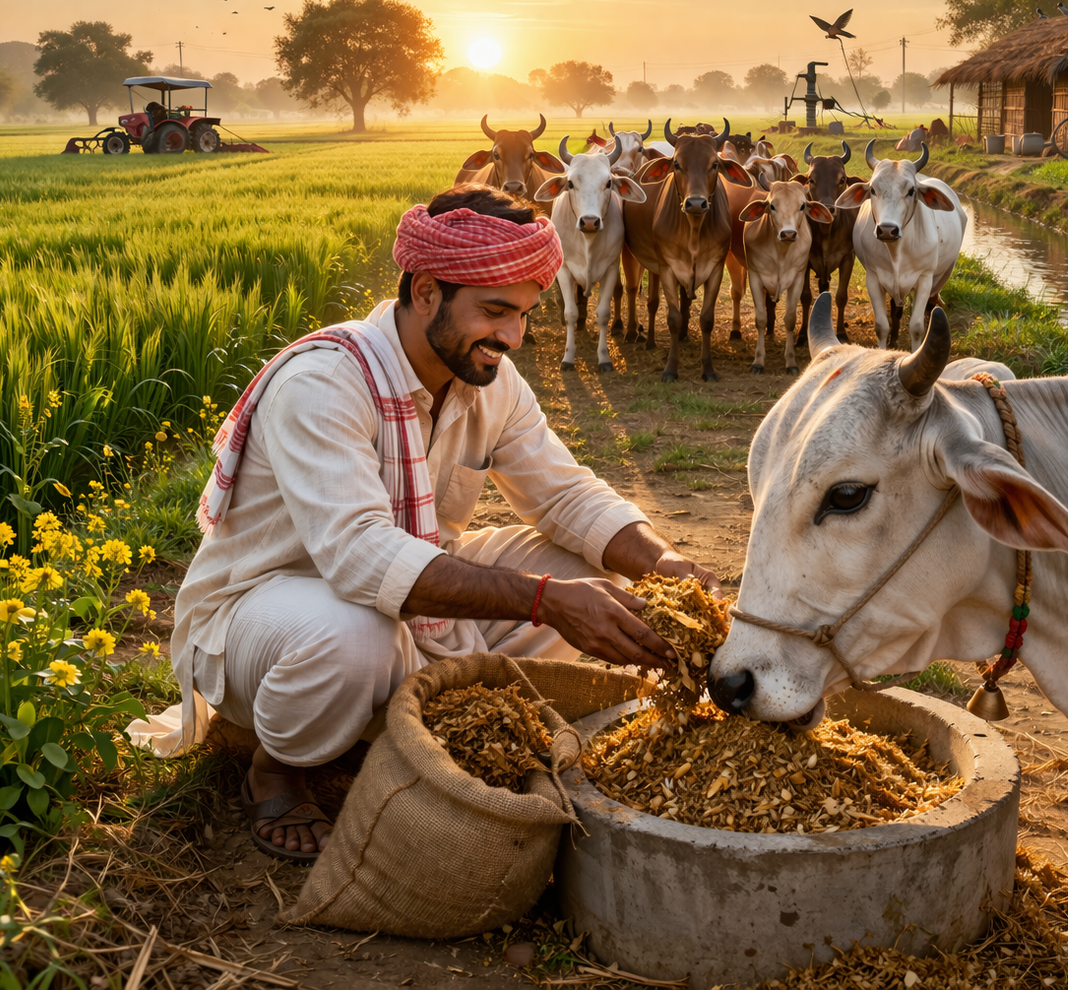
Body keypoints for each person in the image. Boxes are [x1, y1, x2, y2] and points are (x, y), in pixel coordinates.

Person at [149, 185, 720, 862]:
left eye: (526, 314)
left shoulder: (489, 378)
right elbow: (361, 558)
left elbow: (565, 496)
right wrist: (543, 602)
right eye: (496, 311)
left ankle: (420, 717)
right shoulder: (325, 381)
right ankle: (277, 766)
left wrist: (666, 566)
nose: (512, 337)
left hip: (413, 597)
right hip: (273, 614)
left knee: (590, 569)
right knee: (357, 634)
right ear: (426, 293)